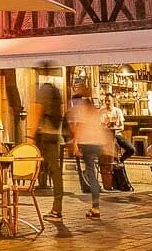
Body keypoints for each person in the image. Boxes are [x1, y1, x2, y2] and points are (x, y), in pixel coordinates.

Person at [26, 75, 65, 220]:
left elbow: (37, 112)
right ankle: (57, 207)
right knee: (55, 171)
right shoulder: (56, 91)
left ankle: (56, 209)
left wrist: (30, 135)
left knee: (52, 169)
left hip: (45, 135)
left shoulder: (43, 90)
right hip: (54, 135)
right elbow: (62, 111)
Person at [69, 96, 109, 219]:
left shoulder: (82, 112)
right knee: (91, 172)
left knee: (91, 173)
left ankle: (95, 207)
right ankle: (95, 205)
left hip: (87, 144)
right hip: (96, 144)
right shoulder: (95, 113)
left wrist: (75, 144)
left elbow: (79, 129)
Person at [102, 95, 134, 162]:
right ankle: (113, 163)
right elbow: (100, 126)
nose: (107, 102)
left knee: (131, 149)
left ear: (113, 101)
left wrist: (115, 128)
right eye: (106, 101)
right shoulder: (102, 111)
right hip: (106, 136)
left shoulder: (118, 111)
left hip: (117, 135)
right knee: (115, 147)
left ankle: (120, 161)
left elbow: (122, 127)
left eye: (109, 101)